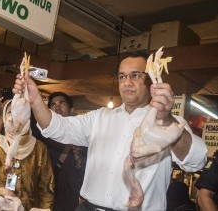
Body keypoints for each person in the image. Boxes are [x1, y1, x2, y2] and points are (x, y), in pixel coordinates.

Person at [13, 52, 207, 210]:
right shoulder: (100, 117)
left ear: (150, 80)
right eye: (122, 76)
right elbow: (57, 127)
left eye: (135, 75)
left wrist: (165, 118)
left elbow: (196, 161)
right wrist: (35, 99)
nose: (127, 82)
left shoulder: (169, 122)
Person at [0, 100, 54, 210]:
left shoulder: (39, 147)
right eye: (10, 112)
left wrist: (45, 209)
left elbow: (47, 187)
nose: (14, 116)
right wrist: (0, 190)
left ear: (28, 117)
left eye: (21, 111)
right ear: (4, 117)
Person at [47, 92, 88, 211]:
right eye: (53, 104)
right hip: (50, 198)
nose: (57, 107)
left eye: (61, 103)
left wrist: (79, 160)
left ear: (71, 110)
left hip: (73, 199)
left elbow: (92, 169)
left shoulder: (83, 136)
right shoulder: (44, 137)